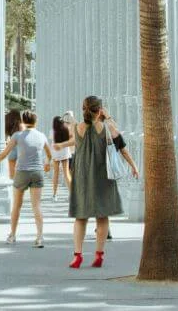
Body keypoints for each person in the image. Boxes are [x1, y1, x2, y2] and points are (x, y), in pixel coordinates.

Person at [54, 95, 138, 269]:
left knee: (81, 218)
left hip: (82, 177)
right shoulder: (107, 128)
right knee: (102, 217)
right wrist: (133, 166)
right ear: (99, 110)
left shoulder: (76, 128)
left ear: (83, 109)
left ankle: (77, 256)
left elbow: (74, 143)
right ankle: (99, 254)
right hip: (103, 177)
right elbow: (122, 147)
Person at [0, 110, 54, 247]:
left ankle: (13, 235)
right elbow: (49, 155)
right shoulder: (42, 136)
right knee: (36, 206)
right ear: (36, 121)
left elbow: (3, 155)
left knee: (17, 206)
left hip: (22, 173)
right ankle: (40, 237)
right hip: (37, 172)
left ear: (22, 121)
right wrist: (47, 164)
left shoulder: (17, 136)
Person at [50, 115, 73, 199]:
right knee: (66, 173)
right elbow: (71, 137)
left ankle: (55, 195)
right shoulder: (66, 129)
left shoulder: (52, 131)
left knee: (55, 174)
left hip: (56, 152)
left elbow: (51, 140)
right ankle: (71, 194)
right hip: (65, 152)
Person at [4, 109, 22, 178]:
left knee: (11, 164)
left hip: (11, 146)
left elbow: (5, 136)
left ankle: (13, 178)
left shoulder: (6, 119)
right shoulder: (19, 123)